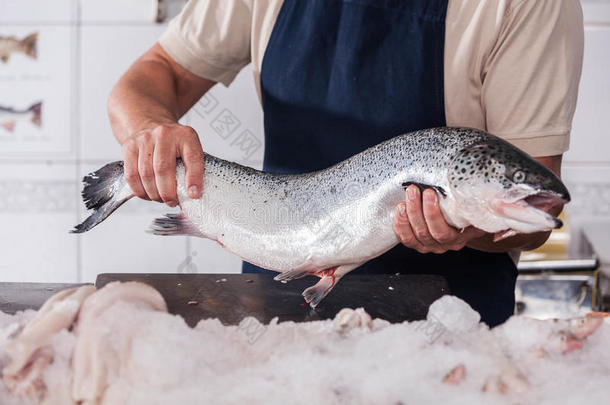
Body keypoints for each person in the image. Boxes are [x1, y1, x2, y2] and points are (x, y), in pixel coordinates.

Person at [108, 0, 584, 326]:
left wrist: (469, 230)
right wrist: (148, 129)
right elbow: (155, 74)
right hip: (278, 294)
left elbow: (536, 219)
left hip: (446, 331)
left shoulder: (529, 6)